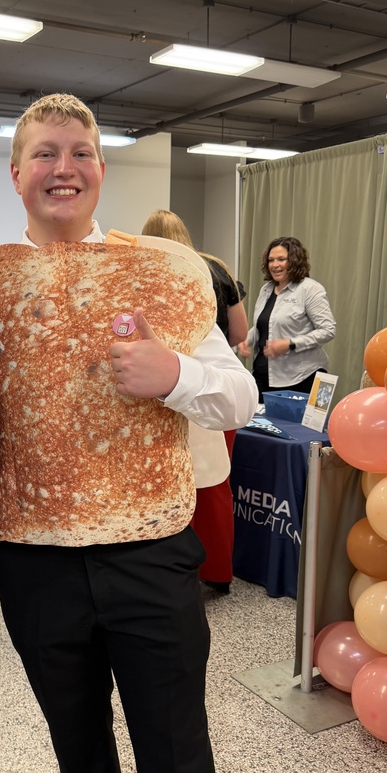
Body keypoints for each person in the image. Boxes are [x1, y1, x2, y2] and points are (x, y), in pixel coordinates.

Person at [0, 94, 257, 773]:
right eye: (46, 153)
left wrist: (177, 377)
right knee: (73, 730)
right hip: (30, 551)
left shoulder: (167, 270)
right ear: (16, 173)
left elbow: (240, 397)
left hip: (151, 547)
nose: (65, 168)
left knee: (175, 745)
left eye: (81, 152)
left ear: (99, 168)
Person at [142, 209, 247, 594]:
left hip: (165, 390)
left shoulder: (147, 270)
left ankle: (173, 574)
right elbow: (239, 332)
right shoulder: (216, 267)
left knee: (170, 483)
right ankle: (219, 572)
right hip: (216, 384)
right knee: (216, 484)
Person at [239, 236, 335, 402]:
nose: (275, 265)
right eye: (271, 260)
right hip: (264, 376)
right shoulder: (266, 290)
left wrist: (290, 344)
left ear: (295, 261)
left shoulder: (311, 289)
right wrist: (246, 340)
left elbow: (328, 330)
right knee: (259, 426)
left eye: (281, 259)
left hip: (303, 377)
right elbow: (264, 324)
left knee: (301, 428)